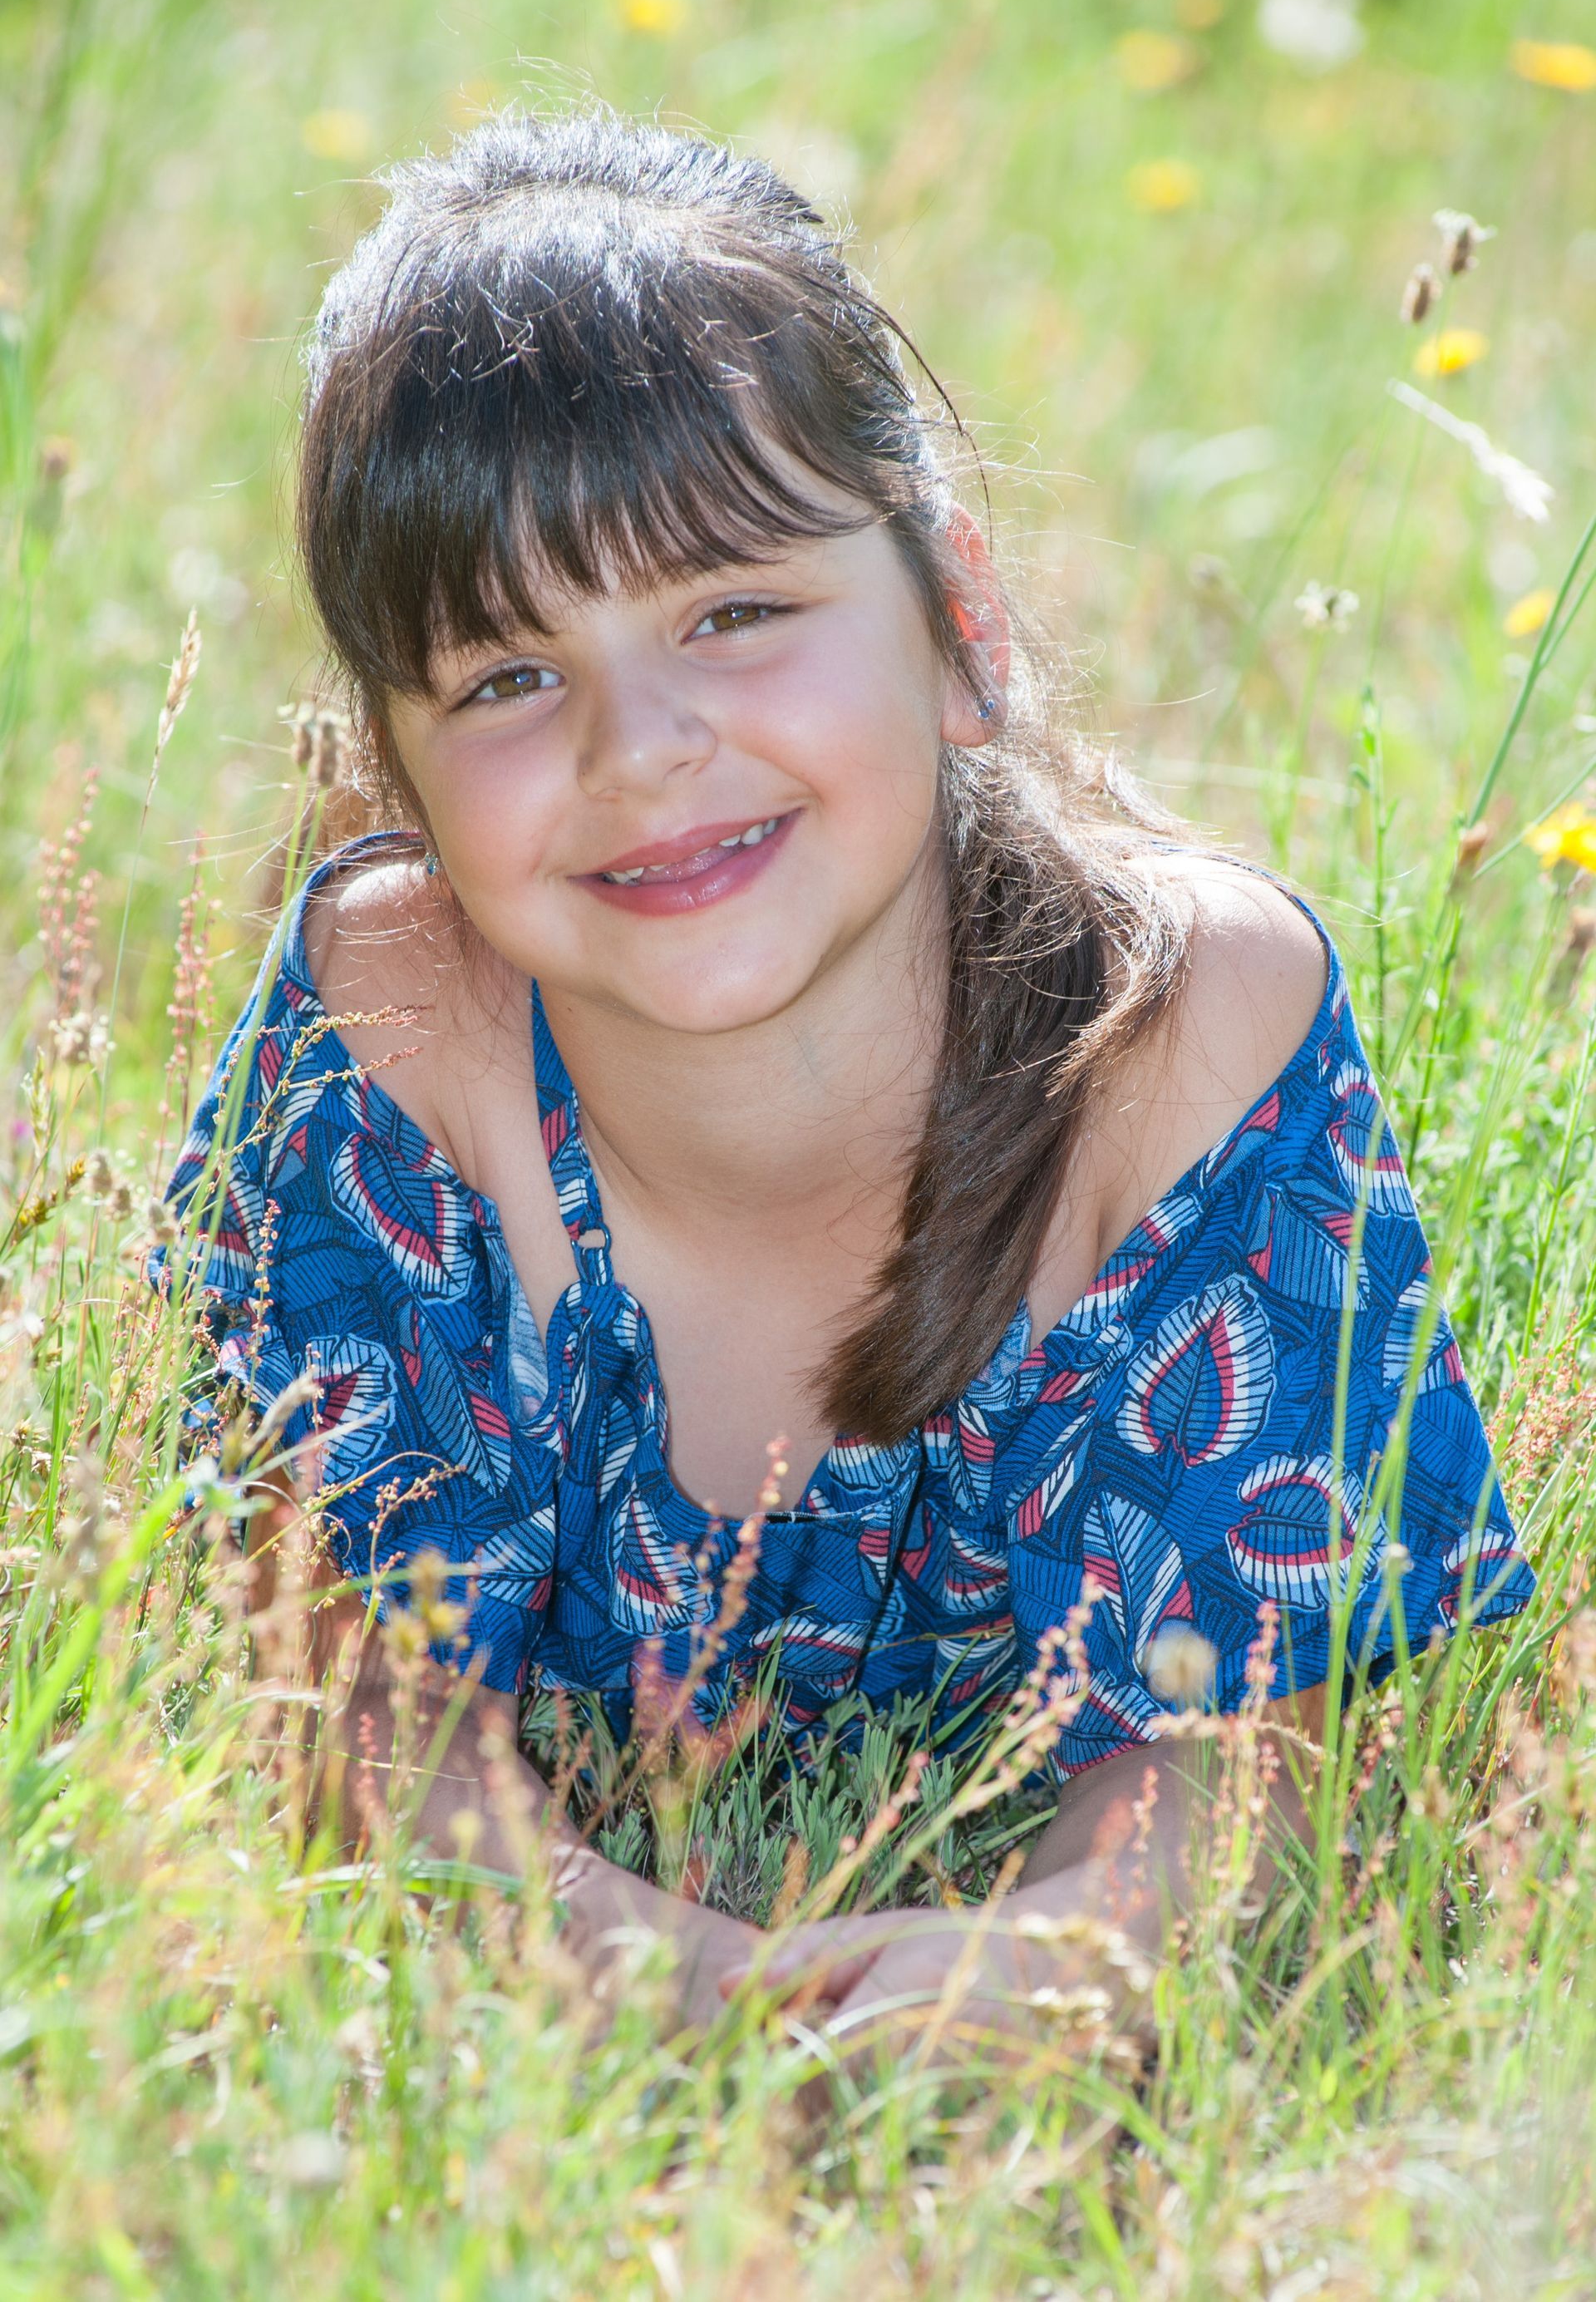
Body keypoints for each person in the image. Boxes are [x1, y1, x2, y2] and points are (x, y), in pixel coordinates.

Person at [154, 106, 1534, 2050]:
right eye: (508, 677)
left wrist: (1062, 1960)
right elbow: (341, 1711)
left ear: (957, 621)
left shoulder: (1180, 1030)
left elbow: (1245, 1741)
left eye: (734, 613)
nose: (641, 747)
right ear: (399, 768)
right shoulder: (397, 1028)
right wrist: (650, 1973)